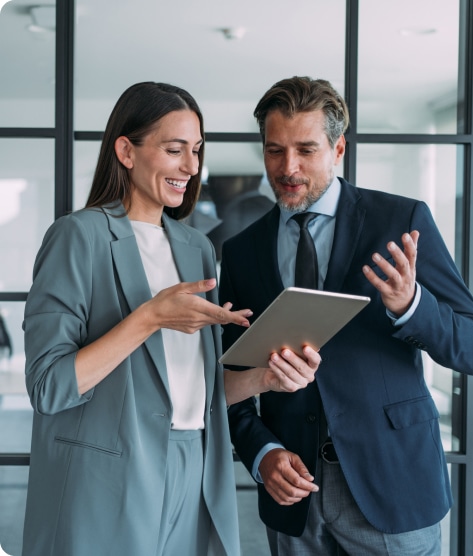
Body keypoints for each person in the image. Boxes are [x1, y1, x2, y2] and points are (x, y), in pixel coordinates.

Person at [21, 81, 321, 556]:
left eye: (197, 150)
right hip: (108, 478)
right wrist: (150, 317)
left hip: (196, 468)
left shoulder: (196, 248)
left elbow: (197, 391)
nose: (191, 166)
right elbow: (48, 387)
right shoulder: (77, 237)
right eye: (174, 149)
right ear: (126, 150)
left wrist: (265, 378)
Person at [219, 76, 473, 556]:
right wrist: (262, 454)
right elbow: (229, 381)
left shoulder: (401, 221)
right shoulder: (242, 252)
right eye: (274, 151)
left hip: (393, 486)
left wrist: (412, 306)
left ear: (338, 147)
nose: (289, 167)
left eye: (306, 149)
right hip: (294, 500)